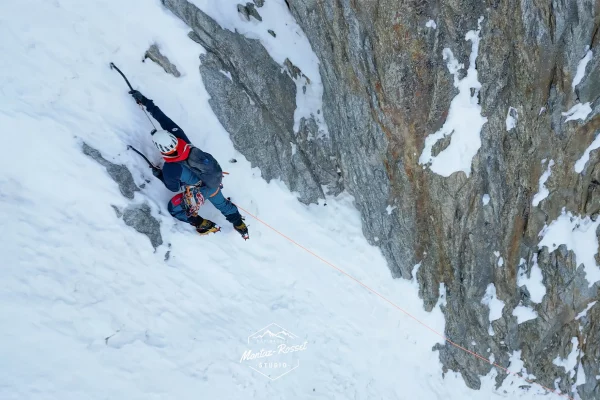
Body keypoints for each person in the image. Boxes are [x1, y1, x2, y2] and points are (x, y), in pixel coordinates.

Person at [129, 89, 248, 239]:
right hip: (213, 181)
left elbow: (174, 187)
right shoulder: (180, 137)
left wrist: (160, 175)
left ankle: (202, 224)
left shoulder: (171, 168)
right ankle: (239, 224)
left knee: (174, 208)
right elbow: (162, 118)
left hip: (200, 190)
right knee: (221, 203)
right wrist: (145, 101)